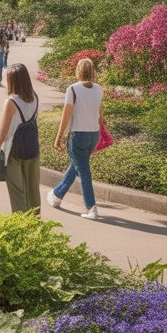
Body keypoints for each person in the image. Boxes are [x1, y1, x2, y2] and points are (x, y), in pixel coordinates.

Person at [48, 57, 106, 219]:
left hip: (78, 136)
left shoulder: (72, 89)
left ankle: (91, 207)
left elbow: (66, 116)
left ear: (78, 71)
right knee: (77, 166)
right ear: (93, 71)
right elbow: (100, 112)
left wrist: (59, 137)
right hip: (93, 136)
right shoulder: (98, 89)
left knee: (83, 172)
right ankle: (57, 195)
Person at [0, 64, 41, 214]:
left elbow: (4, 129)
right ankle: (35, 220)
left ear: (13, 80)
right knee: (32, 187)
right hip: (32, 147)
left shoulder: (11, 102)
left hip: (14, 149)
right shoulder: (34, 96)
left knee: (17, 189)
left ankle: (20, 221)